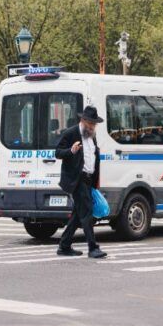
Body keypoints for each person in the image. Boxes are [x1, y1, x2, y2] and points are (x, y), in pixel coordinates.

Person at [54, 106, 107, 259]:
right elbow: (58, 152)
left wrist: (95, 181)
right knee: (87, 213)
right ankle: (93, 247)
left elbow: (92, 157)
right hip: (77, 180)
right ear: (83, 120)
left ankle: (64, 245)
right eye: (90, 123)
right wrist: (71, 151)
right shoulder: (71, 133)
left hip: (89, 180)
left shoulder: (91, 136)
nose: (92, 126)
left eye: (94, 124)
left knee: (78, 214)